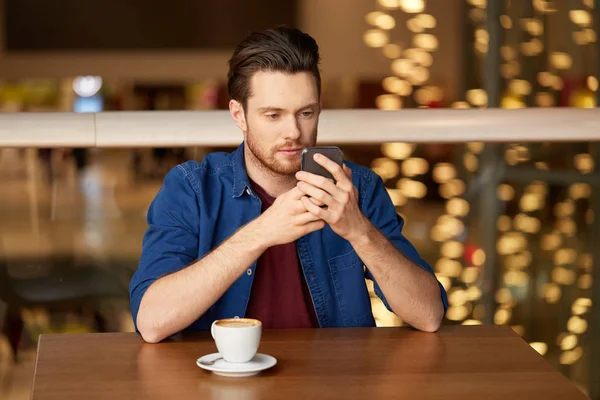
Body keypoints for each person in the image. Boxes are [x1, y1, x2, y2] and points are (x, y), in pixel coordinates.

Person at [129, 26, 448, 343]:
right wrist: (262, 231)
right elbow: (152, 321)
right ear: (239, 115)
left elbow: (429, 314)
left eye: (305, 113)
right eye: (273, 115)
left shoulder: (357, 188)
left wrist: (358, 230)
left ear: (319, 108)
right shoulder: (192, 188)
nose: (293, 132)